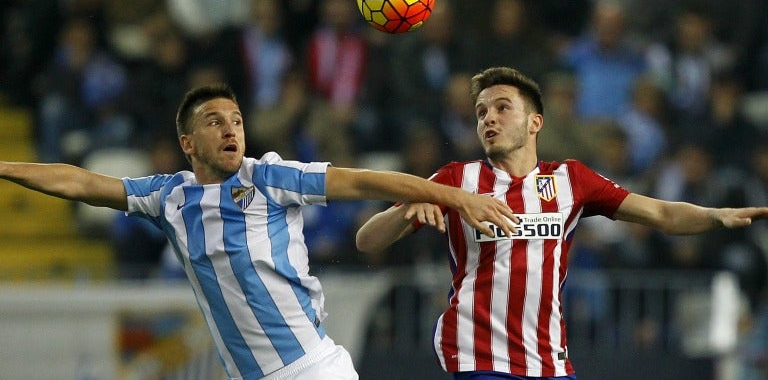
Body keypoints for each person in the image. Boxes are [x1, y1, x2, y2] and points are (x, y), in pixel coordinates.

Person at [0, 82, 516, 380]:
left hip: (314, 371)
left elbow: (360, 180)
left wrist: (453, 196)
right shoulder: (169, 196)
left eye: (237, 119)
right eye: (214, 121)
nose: (231, 129)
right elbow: (80, 181)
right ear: (188, 142)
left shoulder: (267, 176)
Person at [355, 66, 768, 380]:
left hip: (549, 359)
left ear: (535, 122)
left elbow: (660, 214)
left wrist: (714, 216)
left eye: (502, 108)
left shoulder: (570, 180)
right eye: (481, 112)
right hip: (477, 354)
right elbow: (366, 241)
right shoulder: (454, 180)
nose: (488, 119)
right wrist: (404, 211)